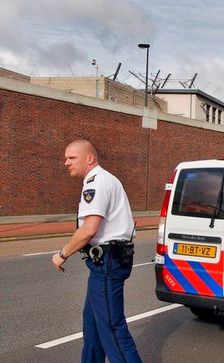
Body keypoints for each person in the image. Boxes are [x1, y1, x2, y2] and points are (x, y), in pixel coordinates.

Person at [51, 139, 142, 362]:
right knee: (92, 328)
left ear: (89, 159)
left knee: (112, 329)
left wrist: (62, 254)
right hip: (106, 263)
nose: (66, 163)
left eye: (72, 158)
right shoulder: (103, 180)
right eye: (66, 158)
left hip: (107, 264)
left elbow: (89, 229)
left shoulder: (96, 182)